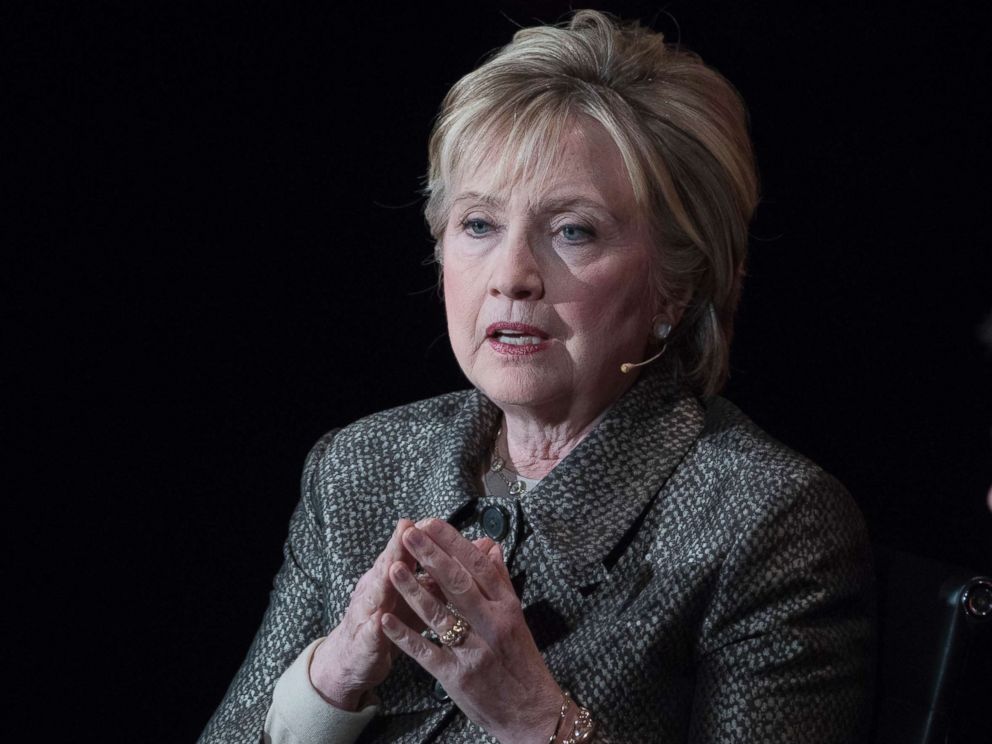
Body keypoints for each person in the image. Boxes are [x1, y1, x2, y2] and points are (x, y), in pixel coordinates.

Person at [198, 10, 873, 743]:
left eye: (572, 230)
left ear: (678, 284)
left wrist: (533, 718)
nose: (512, 276)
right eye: (479, 225)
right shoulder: (360, 466)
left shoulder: (767, 523)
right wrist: (331, 680)